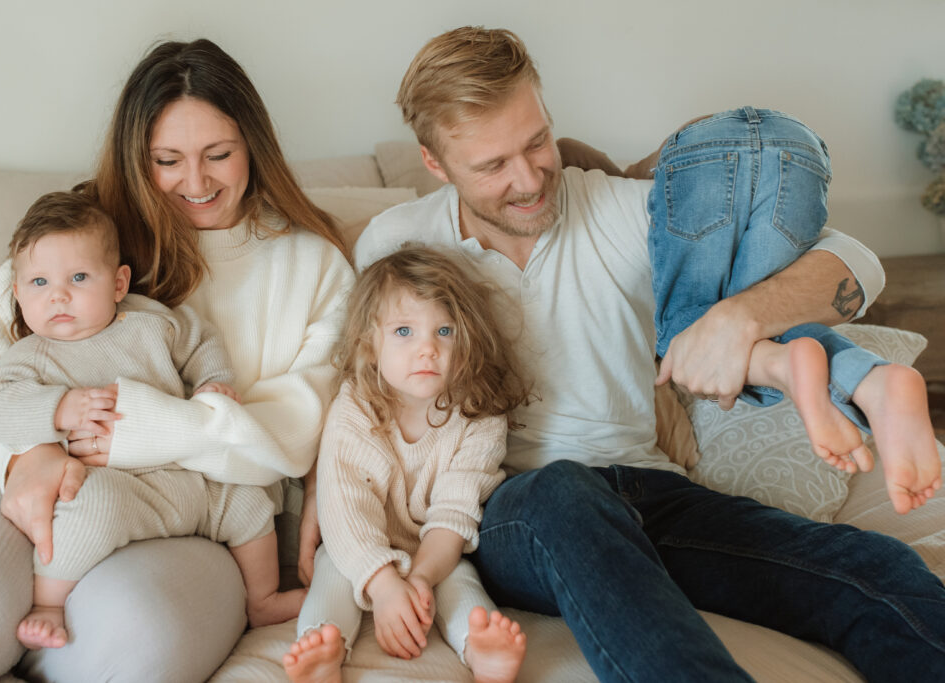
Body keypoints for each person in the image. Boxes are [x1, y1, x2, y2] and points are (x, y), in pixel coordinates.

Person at [346, 25, 945, 682]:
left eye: (537, 142)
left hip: (651, 494)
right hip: (511, 510)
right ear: (435, 163)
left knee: (878, 573)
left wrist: (739, 316)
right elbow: (358, 402)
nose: (527, 179)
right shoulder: (396, 247)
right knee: (565, 493)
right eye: (492, 166)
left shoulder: (624, 213)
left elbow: (859, 264)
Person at [0, 39, 354, 682]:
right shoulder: (75, 238)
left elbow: (298, 430)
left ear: (253, 145)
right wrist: (32, 448)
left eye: (219, 155)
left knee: (136, 632)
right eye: (167, 160)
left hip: (192, 514)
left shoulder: (313, 264)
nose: (197, 183)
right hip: (25, 491)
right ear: (136, 156)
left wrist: (145, 431)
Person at [0, 190, 307, 650]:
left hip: (191, 477)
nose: (58, 296)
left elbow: (201, 342)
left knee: (250, 497)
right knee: (86, 510)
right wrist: (58, 408)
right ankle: (48, 603)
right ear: (17, 292)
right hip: (119, 488)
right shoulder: (30, 357)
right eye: (38, 284)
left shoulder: (151, 321)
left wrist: (213, 381)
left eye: (78, 277)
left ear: (117, 283)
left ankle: (263, 598)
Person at [649, 107, 941, 514]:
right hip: (799, 147)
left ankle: (788, 364)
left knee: (681, 331)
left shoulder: (606, 194)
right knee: (769, 319)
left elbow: (861, 267)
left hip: (697, 154)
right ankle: (872, 380)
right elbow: (856, 260)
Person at [283, 246, 530, 683]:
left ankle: (482, 650)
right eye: (403, 331)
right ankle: (322, 648)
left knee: (460, 582)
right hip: (358, 543)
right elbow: (344, 508)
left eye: (444, 330)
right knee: (333, 574)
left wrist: (418, 580)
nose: (427, 349)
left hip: (436, 550)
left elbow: (456, 513)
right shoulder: (355, 408)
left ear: (467, 337)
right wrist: (382, 585)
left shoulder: (479, 413)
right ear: (369, 347)